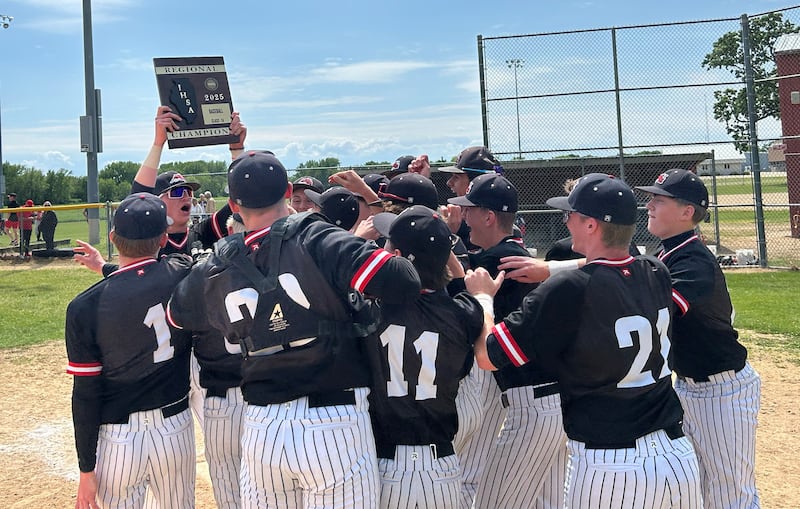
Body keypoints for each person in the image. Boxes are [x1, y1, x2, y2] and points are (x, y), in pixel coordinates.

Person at [167, 150, 422, 508]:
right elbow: (404, 281)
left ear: (234, 206)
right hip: (334, 420)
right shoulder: (318, 237)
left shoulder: (219, 261)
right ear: (288, 192)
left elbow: (177, 315)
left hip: (260, 427)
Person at [466, 173, 702, 509]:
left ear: (591, 225)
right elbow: (615, 261)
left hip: (612, 465)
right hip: (677, 456)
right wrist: (551, 268)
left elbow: (488, 357)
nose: (566, 221)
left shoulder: (568, 290)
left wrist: (482, 299)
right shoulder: (655, 272)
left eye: (571, 215)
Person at [635, 168, 761, 509]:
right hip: (689, 386)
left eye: (658, 200)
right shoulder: (668, 254)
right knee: (694, 484)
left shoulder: (694, 261)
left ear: (686, 212)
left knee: (729, 491)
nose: (649, 206)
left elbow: (651, 308)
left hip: (722, 390)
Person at [66, 193, 195, 509]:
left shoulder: (84, 307)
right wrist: (105, 267)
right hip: (174, 429)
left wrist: (86, 469)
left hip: (118, 439)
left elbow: (85, 394)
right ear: (163, 239)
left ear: (112, 237)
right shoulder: (181, 272)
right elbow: (148, 274)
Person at [448, 173, 564, 509]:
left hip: (530, 403)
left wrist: (445, 249)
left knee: (489, 499)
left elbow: (460, 316)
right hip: (556, 398)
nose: (464, 216)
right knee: (549, 501)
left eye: (470, 209)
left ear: (488, 216)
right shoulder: (520, 254)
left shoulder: (493, 260)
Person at [367, 205, 485, 509]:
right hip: (441, 467)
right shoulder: (464, 312)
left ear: (396, 258)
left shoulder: (370, 310)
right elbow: (463, 292)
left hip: (386, 466)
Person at [437, 146, 503, 252]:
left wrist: (448, 236)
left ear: (477, 183)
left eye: (457, 177)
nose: (449, 183)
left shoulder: (493, 224)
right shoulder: (459, 219)